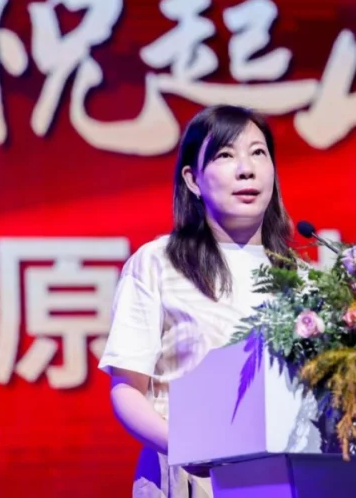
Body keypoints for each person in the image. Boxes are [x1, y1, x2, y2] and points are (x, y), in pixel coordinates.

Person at [98, 105, 295, 498]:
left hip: (282, 479)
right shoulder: (158, 263)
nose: (246, 169)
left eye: (258, 153)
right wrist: (188, 448)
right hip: (189, 476)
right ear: (192, 179)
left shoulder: (298, 278)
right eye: (226, 155)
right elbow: (127, 390)